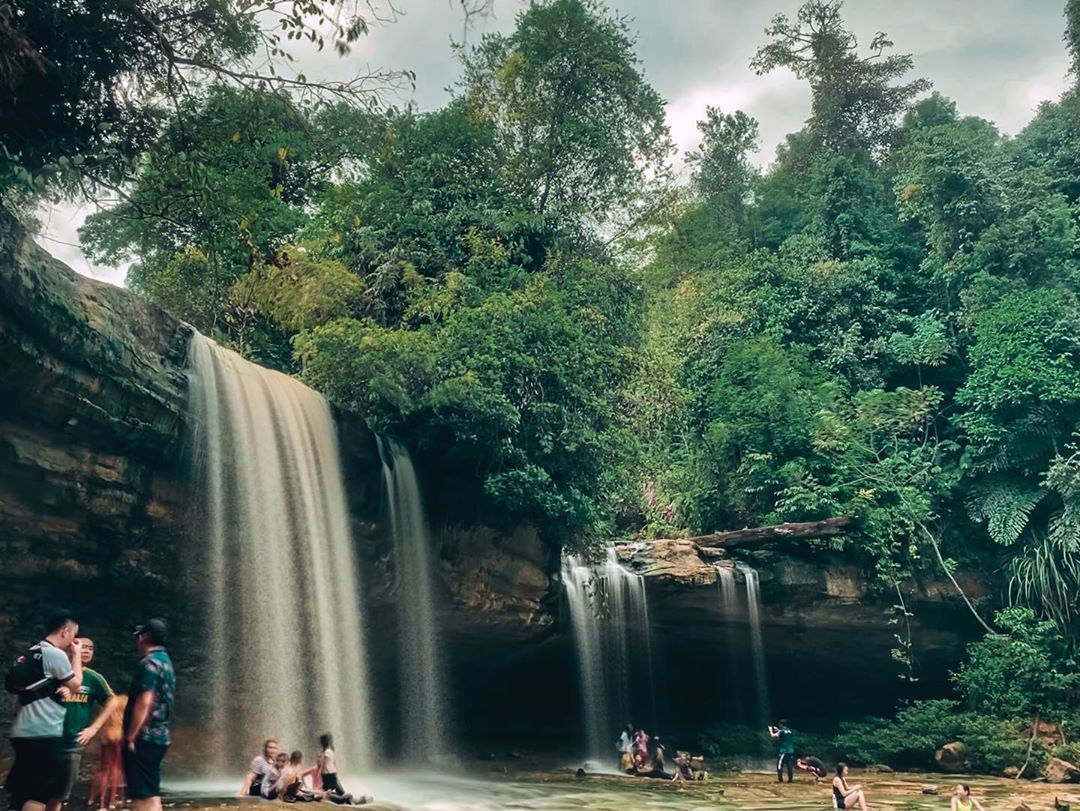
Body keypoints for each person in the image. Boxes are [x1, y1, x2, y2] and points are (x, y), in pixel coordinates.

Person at [4, 610, 85, 811]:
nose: (74, 640)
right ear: (65, 631)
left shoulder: (32, 652)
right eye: (74, 634)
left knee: (22, 794)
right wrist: (76, 654)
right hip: (44, 733)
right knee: (40, 795)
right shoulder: (55, 654)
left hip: (22, 733)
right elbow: (76, 684)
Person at [122, 619, 174, 811]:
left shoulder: (149, 663)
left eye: (139, 636)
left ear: (144, 637)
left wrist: (131, 735)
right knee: (151, 793)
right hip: (160, 735)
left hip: (144, 737)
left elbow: (145, 700)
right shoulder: (165, 661)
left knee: (142, 796)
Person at [60, 638, 118, 808]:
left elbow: (112, 701)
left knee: (60, 794)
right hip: (47, 740)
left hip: (73, 742)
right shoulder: (57, 672)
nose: (86, 651)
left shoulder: (93, 678)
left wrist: (94, 728)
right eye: (83, 647)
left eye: (90, 648)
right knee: (39, 792)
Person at [87, 695, 127, 811]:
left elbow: (101, 720)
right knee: (116, 769)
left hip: (107, 735)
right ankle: (113, 801)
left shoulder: (108, 703)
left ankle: (97, 800)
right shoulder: (125, 702)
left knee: (104, 769)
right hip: (118, 736)